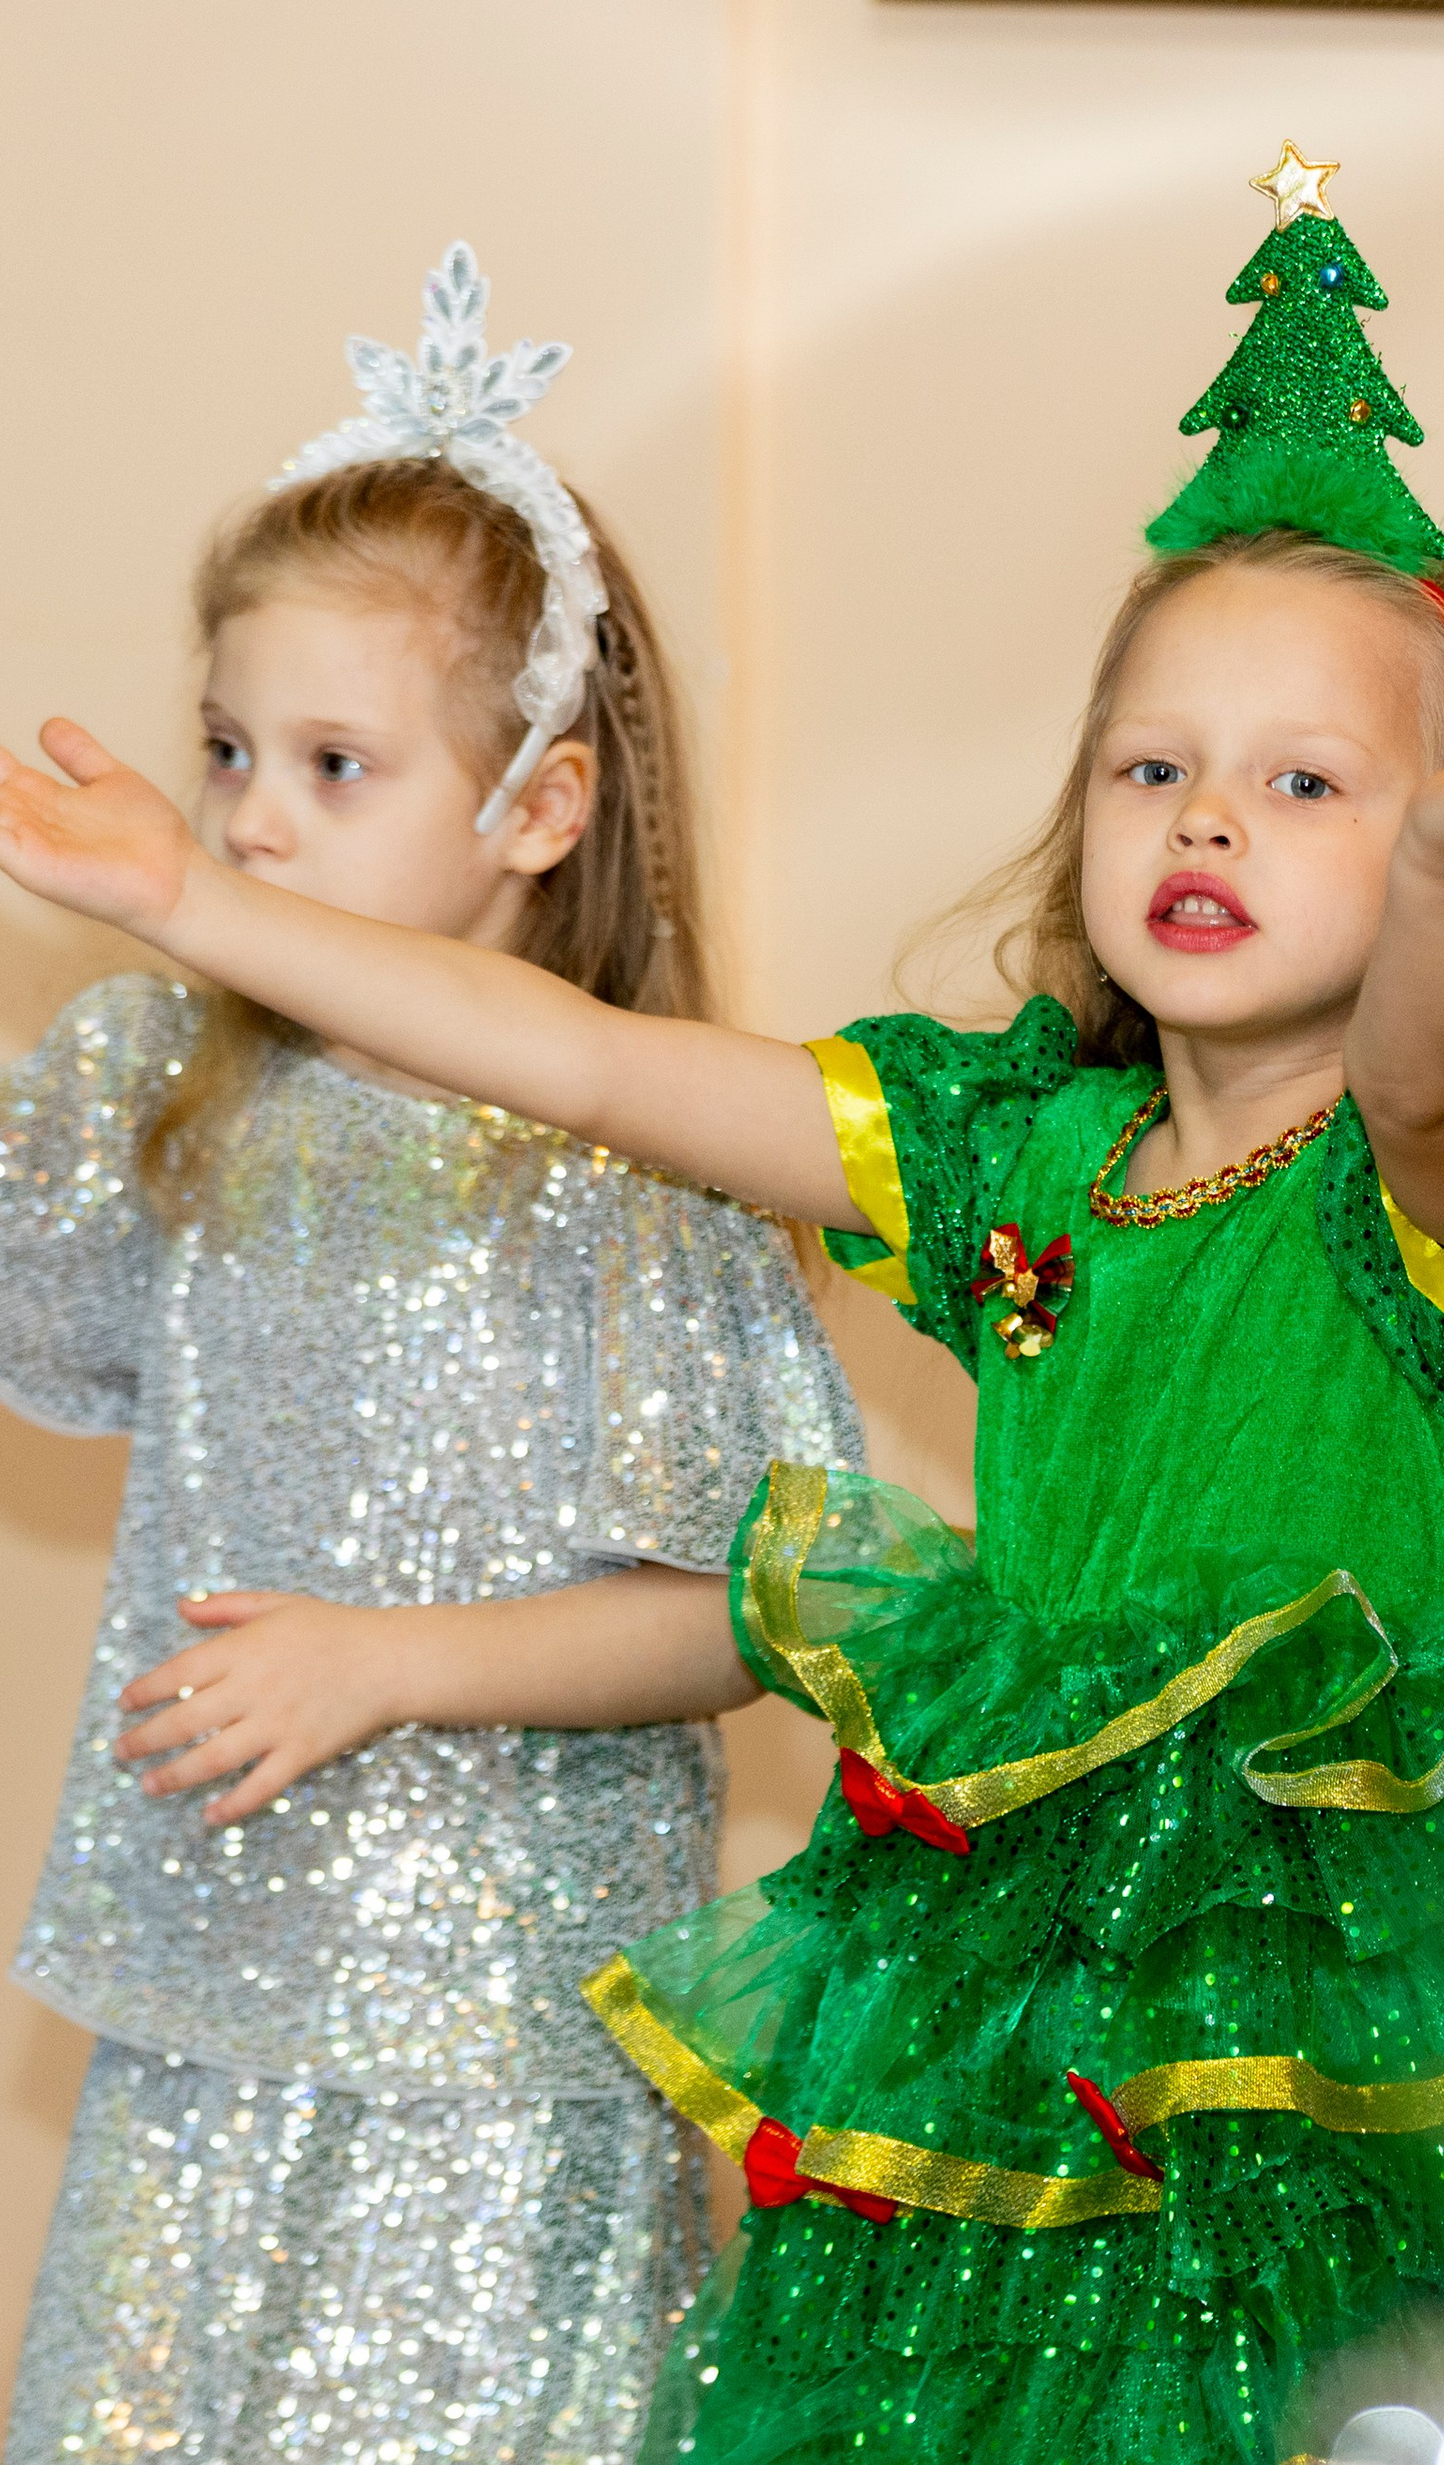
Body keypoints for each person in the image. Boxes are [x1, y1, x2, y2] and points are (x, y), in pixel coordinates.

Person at [0, 166, 1444, 2465]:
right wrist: (190, 902)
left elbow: (1433, 1056)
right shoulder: (996, 1154)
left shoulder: (1435, 1170)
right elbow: (578, 1053)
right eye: (1153, 765)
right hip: (1002, 1994)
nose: (1206, 816)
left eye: (1308, 782)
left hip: (1322, 2039)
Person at [0, 246, 864, 2463]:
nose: (249, 816)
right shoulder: (148, 1091)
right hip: (201, 2024)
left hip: (504, 2070)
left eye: (331, 761)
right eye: (226, 749)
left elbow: (734, 1621)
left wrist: (387, 1658)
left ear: (536, 809)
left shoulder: (624, 1163)